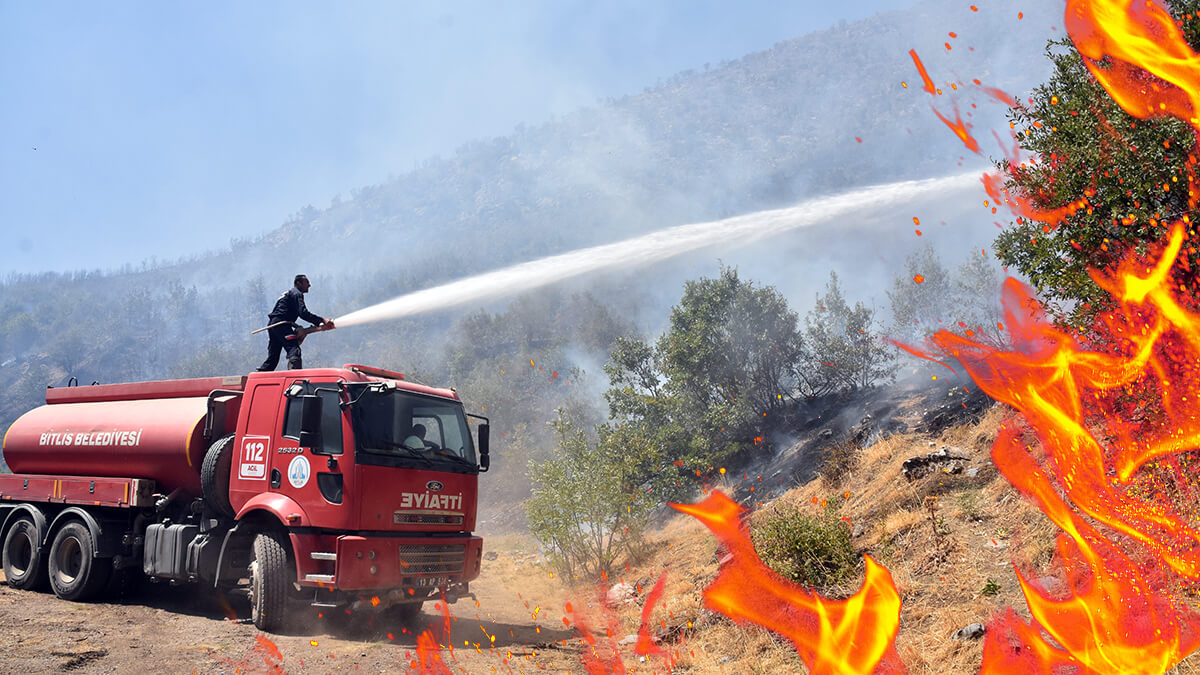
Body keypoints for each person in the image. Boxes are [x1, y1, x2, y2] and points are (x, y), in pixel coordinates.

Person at [256, 274, 335, 371]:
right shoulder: (297, 293)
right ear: (298, 283)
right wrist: (322, 320)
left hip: (273, 325)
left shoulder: (289, 293)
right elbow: (303, 313)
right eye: (307, 282)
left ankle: (261, 373)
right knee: (294, 351)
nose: (309, 285)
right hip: (282, 324)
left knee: (273, 356)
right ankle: (294, 378)